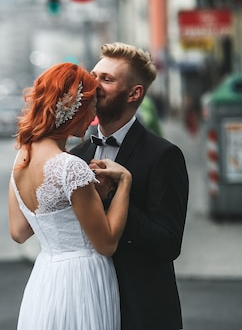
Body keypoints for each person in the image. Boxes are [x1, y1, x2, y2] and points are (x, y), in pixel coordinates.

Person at [71, 42, 189, 330]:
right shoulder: (76, 156)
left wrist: (112, 195)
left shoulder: (163, 155)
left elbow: (168, 244)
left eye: (106, 79)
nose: (93, 85)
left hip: (140, 310)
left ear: (134, 93)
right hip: (87, 305)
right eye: (93, 75)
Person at [8, 62, 133, 330]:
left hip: (46, 278)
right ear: (74, 110)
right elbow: (106, 243)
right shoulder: (69, 166)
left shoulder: (22, 158)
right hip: (82, 280)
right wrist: (124, 183)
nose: (93, 118)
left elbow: (19, 231)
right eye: (91, 109)